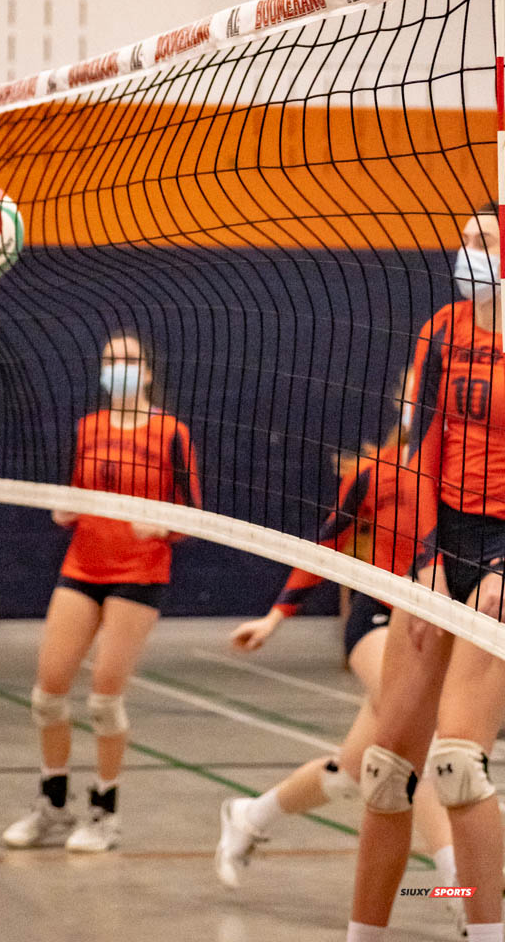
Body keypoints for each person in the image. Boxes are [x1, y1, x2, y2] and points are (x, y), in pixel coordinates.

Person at [214, 378, 464, 934]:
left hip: (446, 628)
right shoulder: (375, 474)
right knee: (417, 748)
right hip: (380, 620)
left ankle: (248, 815)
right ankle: (458, 888)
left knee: (357, 772)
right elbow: (326, 545)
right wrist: (277, 616)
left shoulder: (473, 480)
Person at [347, 202, 505, 942]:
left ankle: (487, 929)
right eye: (464, 240)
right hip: (448, 549)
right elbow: (430, 450)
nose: (466, 252)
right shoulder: (441, 330)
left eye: (483, 241)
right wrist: (429, 565)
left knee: (459, 767)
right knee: (384, 770)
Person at [3, 330, 201, 853]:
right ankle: (52, 808)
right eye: (112, 360)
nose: (119, 369)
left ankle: (105, 814)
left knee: (104, 703)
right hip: (83, 566)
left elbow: (193, 512)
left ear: (149, 373)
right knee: (47, 696)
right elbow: (78, 488)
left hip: (138, 573)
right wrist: (66, 509)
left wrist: (164, 528)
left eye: (130, 360)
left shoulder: (172, 433)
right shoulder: (88, 427)